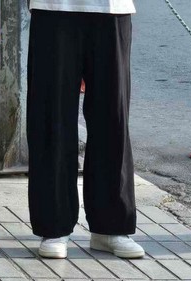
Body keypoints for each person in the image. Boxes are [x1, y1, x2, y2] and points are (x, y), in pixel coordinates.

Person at [27, 0, 144, 260]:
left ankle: (110, 226)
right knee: (51, 116)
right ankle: (54, 226)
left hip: (112, 8)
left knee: (112, 116)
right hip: (54, 8)